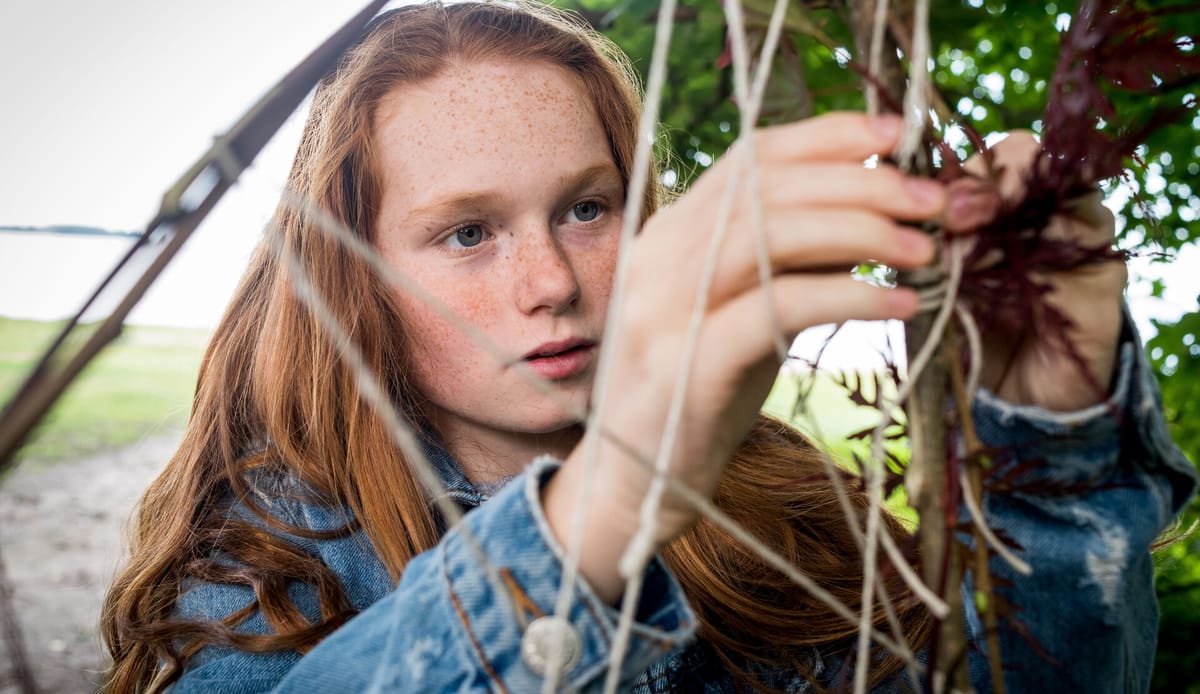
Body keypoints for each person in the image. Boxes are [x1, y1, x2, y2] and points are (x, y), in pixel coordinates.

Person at [101, 2, 1196, 692]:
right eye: (468, 233)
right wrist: (609, 502)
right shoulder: (269, 567)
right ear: (356, 276)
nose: (552, 282)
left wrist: (1048, 451)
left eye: (587, 208)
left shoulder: (785, 499)